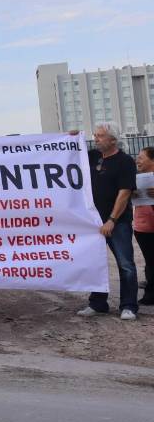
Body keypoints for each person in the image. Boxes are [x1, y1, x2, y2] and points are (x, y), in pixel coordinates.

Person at [76, 124, 138, 320]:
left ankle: (128, 306)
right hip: (93, 222)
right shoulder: (93, 156)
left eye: (101, 136)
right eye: (95, 135)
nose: (96, 139)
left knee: (125, 264)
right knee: (95, 263)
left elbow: (125, 192)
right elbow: (68, 152)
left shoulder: (125, 161)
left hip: (117, 223)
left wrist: (112, 219)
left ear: (113, 140)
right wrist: (68, 137)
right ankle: (98, 303)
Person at [133, 146, 154, 306]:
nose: (137, 160)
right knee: (150, 260)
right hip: (143, 226)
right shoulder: (136, 178)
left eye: (141, 157)